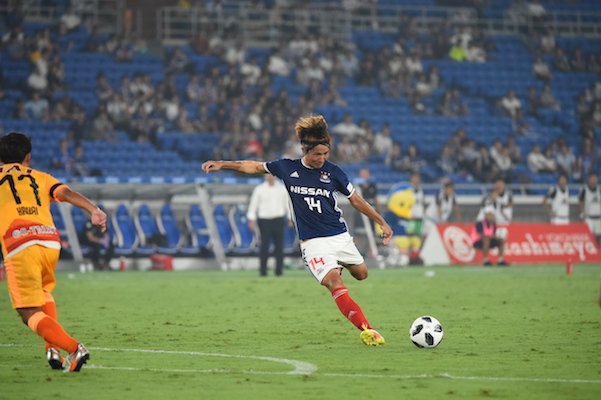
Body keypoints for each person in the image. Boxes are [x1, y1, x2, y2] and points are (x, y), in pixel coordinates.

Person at [202, 115, 393, 346]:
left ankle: (337, 265)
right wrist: (223, 164)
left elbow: (355, 200)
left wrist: (381, 221)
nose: (322, 158)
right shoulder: (287, 167)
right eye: (317, 154)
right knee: (334, 283)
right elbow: (251, 166)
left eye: (325, 154)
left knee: (362, 274)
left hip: (339, 236)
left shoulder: (334, 172)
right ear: (305, 150)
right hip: (313, 243)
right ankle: (367, 330)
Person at [0, 132, 106, 372]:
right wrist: (93, 210)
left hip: (20, 243)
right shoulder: (41, 177)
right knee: (43, 292)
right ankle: (52, 349)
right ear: (28, 157)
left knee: (28, 311)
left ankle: (74, 348)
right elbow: (65, 193)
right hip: (49, 241)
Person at [247, 174, 292, 277]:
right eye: (268, 174)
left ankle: (279, 271)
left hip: (278, 219)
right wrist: (251, 219)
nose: (270, 177)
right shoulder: (259, 189)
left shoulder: (282, 189)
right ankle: (263, 271)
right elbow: (253, 205)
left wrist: (290, 218)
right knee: (264, 246)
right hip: (264, 220)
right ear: (265, 176)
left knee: (279, 246)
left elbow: (287, 204)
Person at [579, 173, 600, 245]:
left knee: (598, 236)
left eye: (595, 179)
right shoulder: (584, 190)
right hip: (588, 217)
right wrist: (581, 214)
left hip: (598, 217)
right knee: (588, 235)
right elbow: (581, 202)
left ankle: (597, 250)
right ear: (589, 180)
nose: (594, 181)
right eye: (592, 179)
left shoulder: (599, 190)